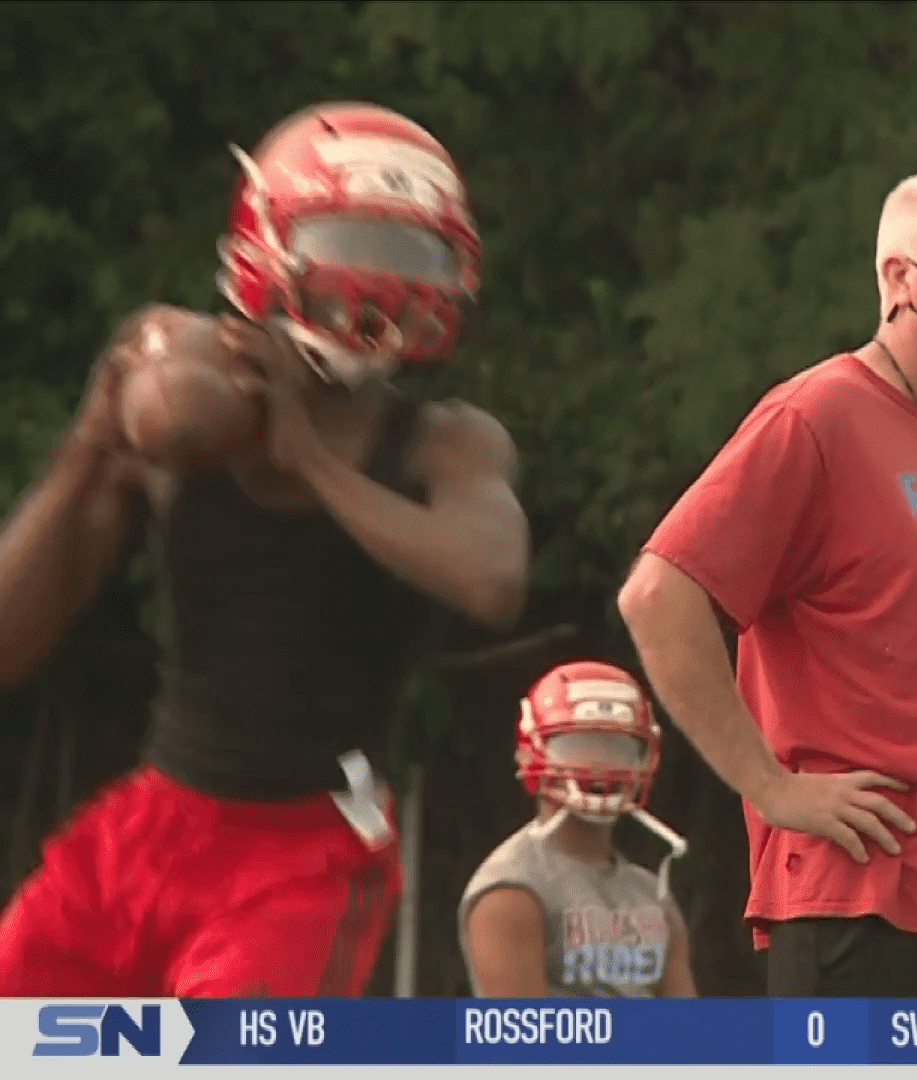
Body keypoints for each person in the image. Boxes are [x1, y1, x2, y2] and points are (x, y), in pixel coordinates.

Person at [0, 102, 529, 997]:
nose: (379, 284)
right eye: (354, 243)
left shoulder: (445, 441)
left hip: (310, 846)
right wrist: (91, 444)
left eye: (410, 256)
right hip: (155, 818)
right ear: (268, 250)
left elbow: (492, 580)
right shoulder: (194, 417)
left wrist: (312, 457)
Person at [618, 163, 917, 997]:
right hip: (865, 904)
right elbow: (658, 593)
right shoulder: (816, 415)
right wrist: (771, 786)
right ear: (900, 277)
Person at [459, 660, 698, 998]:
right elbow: (522, 1043)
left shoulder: (651, 893)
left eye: (618, 748)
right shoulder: (512, 889)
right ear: (531, 754)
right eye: (577, 746)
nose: (600, 765)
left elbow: (692, 1039)